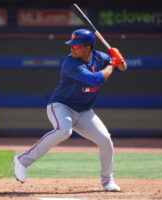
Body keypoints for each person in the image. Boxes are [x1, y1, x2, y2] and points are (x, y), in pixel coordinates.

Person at [13, 29, 127, 192]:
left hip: (84, 111)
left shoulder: (99, 57)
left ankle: (108, 181)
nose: (72, 48)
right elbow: (96, 79)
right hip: (61, 106)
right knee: (64, 131)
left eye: (77, 46)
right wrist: (112, 63)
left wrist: (118, 57)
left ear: (88, 47)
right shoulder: (71, 64)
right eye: (72, 45)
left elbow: (122, 67)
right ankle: (22, 160)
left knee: (105, 139)